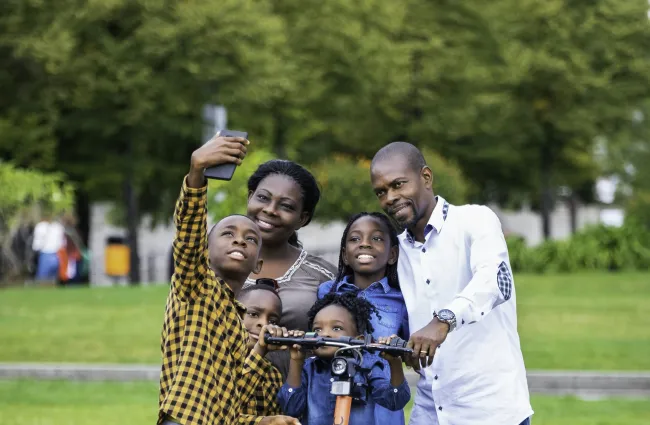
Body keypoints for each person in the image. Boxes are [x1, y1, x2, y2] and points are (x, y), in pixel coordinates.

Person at [370, 142, 533, 425]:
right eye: (381, 192)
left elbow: (496, 282)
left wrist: (443, 320)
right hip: (430, 410)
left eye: (398, 184)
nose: (390, 198)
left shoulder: (475, 220)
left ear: (426, 178)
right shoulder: (396, 251)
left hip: (492, 410)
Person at [158, 133, 299, 425]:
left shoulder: (237, 322)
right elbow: (187, 238)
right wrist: (197, 172)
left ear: (257, 264)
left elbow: (230, 406)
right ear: (206, 250)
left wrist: (265, 421)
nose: (239, 241)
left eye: (250, 239)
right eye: (228, 234)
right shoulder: (195, 286)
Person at [242, 160, 337, 378]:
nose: (270, 210)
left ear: (302, 218)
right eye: (263, 198)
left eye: (286, 206)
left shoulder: (324, 276)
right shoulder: (217, 265)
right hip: (222, 402)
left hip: (298, 405)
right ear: (250, 197)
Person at [317, 212, 409, 425]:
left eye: (376, 238)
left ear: (392, 254)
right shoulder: (327, 293)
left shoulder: (402, 299)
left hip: (383, 407)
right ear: (345, 255)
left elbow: (410, 348)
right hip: (332, 400)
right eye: (355, 239)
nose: (365, 244)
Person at [277, 292, 410, 425]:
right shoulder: (308, 367)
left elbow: (394, 400)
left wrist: (394, 362)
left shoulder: (368, 365)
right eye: (317, 329)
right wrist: (296, 361)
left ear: (359, 339)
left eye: (336, 328)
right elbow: (291, 408)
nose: (325, 334)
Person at [237, 279, 286, 417]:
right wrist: (259, 351)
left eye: (272, 321)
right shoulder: (214, 363)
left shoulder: (273, 375)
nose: (263, 324)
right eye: (253, 314)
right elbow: (228, 409)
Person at [31, 213, 65, 284]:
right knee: (54, 279)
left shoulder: (40, 226)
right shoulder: (58, 226)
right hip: (56, 255)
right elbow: (62, 243)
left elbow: (36, 244)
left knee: (43, 280)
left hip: (45, 254)